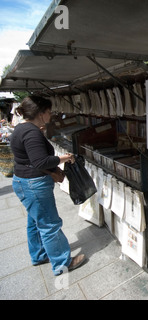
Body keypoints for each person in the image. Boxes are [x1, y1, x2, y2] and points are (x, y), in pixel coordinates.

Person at [9, 95, 85, 276]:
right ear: (41, 113)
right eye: (49, 112)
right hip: (34, 185)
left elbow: (27, 158)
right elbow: (40, 161)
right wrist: (64, 158)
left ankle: (39, 255)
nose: (50, 115)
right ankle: (62, 263)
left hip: (23, 182)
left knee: (35, 222)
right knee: (50, 225)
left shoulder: (21, 129)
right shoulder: (31, 132)